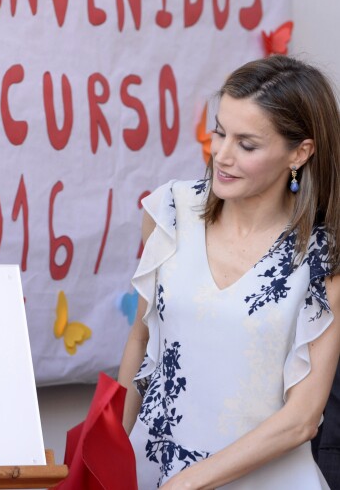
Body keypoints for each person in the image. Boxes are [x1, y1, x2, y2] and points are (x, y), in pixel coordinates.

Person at [118, 55, 340, 489]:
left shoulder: (325, 258)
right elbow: (141, 340)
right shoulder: (170, 211)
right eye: (220, 132)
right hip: (152, 473)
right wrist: (107, 452)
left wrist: (186, 483)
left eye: (247, 144)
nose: (221, 154)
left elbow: (302, 419)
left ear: (300, 152)